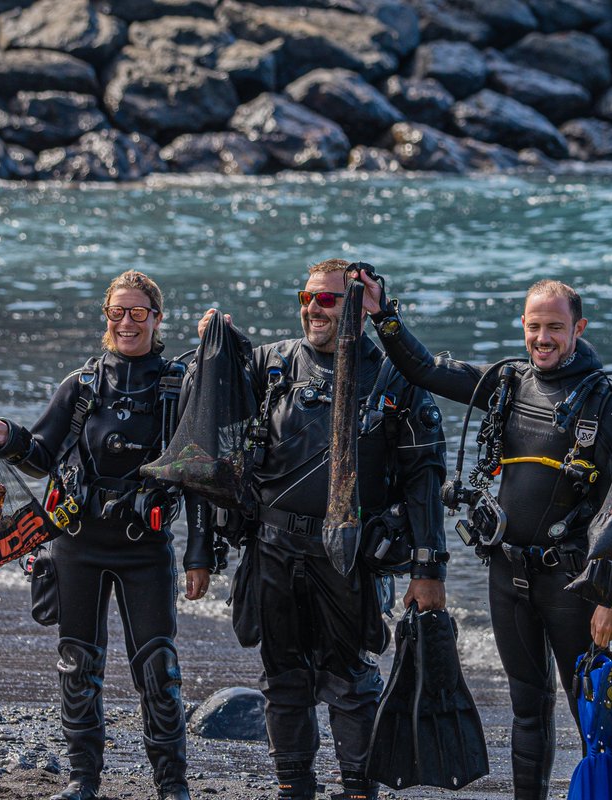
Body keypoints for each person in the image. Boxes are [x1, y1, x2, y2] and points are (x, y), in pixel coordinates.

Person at [358, 273, 612, 800]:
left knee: (591, 712)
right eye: (534, 327)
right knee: (527, 706)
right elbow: (426, 369)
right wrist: (381, 314)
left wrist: (611, 597)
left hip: (573, 581)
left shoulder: (605, 403)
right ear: (522, 327)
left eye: (555, 327)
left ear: (580, 327)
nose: (543, 338)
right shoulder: (508, 383)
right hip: (508, 573)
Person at [196, 258, 448, 800]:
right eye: (307, 297)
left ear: (356, 305)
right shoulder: (268, 365)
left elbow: (425, 479)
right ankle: (295, 787)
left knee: (352, 681)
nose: (314, 308)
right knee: (283, 679)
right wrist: (214, 346)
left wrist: (429, 570)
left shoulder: (394, 380)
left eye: (329, 299)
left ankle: (359, 789)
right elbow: (203, 424)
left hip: (351, 555)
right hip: (274, 549)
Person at [0, 270, 211, 800]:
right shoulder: (82, 385)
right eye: (117, 312)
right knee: (77, 665)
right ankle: (83, 779)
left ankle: (172, 785)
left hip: (145, 549)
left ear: (156, 318)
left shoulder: (179, 386)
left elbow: (196, 477)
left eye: (138, 312)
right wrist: (3, 434)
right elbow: (39, 454)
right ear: (107, 317)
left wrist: (200, 553)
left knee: (159, 671)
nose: (127, 322)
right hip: (76, 545)